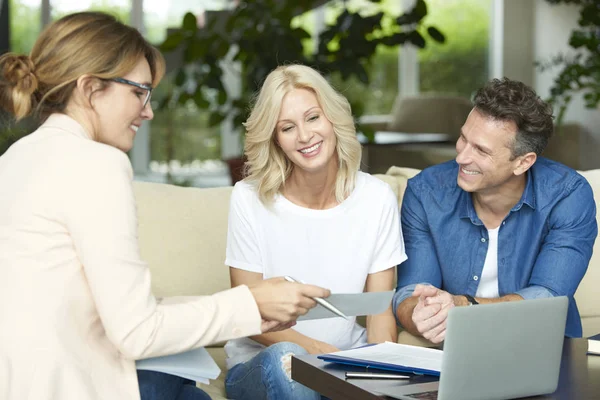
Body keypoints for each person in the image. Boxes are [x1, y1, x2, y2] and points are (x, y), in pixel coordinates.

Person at [0, 12, 331, 400]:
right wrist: (251, 303)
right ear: (90, 89)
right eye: (138, 91)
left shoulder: (15, 159)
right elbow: (137, 332)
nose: (148, 110)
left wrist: (246, 305)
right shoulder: (96, 164)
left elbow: (110, 308)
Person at [223, 64, 407, 400]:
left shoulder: (376, 198)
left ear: (332, 119)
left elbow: (380, 311)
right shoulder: (248, 199)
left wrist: (385, 375)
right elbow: (249, 311)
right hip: (264, 363)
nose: (305, 136)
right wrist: (319, 354)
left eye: (312, 118)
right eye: (287, 127)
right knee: (290, 363)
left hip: (346, 362)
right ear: (275, 139)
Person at [393, 77, 597, 344]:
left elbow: (548, 298)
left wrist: (464, 307)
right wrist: (418, 313)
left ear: (523, 162)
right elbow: (410, 290)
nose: (461, 157)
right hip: (454, 344)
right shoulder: (425, 193)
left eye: (481, 150)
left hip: (540, 344)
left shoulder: (567, 195)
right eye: (463, 138)